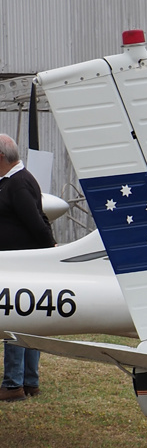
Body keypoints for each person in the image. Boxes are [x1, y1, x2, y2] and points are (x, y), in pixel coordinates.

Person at [0, 134, 56, 401]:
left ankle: (12, 385)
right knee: (29, 324)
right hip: (22, 263)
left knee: (14, 321)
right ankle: (29, 382)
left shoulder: (18, 184)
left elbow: (37, 223)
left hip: (20, 266)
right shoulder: (17, 181)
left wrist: (51, 251)